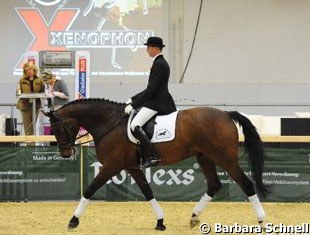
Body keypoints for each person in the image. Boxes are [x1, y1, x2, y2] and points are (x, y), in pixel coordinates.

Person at [124, 36, 177, 168]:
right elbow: (150, 89)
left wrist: (133, 105)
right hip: (158, 99)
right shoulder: (159, 62)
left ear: (154, 48)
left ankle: (153, 156)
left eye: (148, 47)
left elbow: (151, 90)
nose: (147, 50)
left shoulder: (159, 64)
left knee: (135, 125)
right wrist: (133, 98)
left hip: (157, 102)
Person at [16, 62, 44, 136]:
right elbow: (18, 92)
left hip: (36, 104)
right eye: (26, 70)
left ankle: (32, 143)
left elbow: (43, 91)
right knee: (27, 125)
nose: (29, 71)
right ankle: (29, 145)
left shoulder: (40, 80)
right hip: (25, 104)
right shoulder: (22, 80)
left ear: (34, 69)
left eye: (30, 69)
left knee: (33, 124)